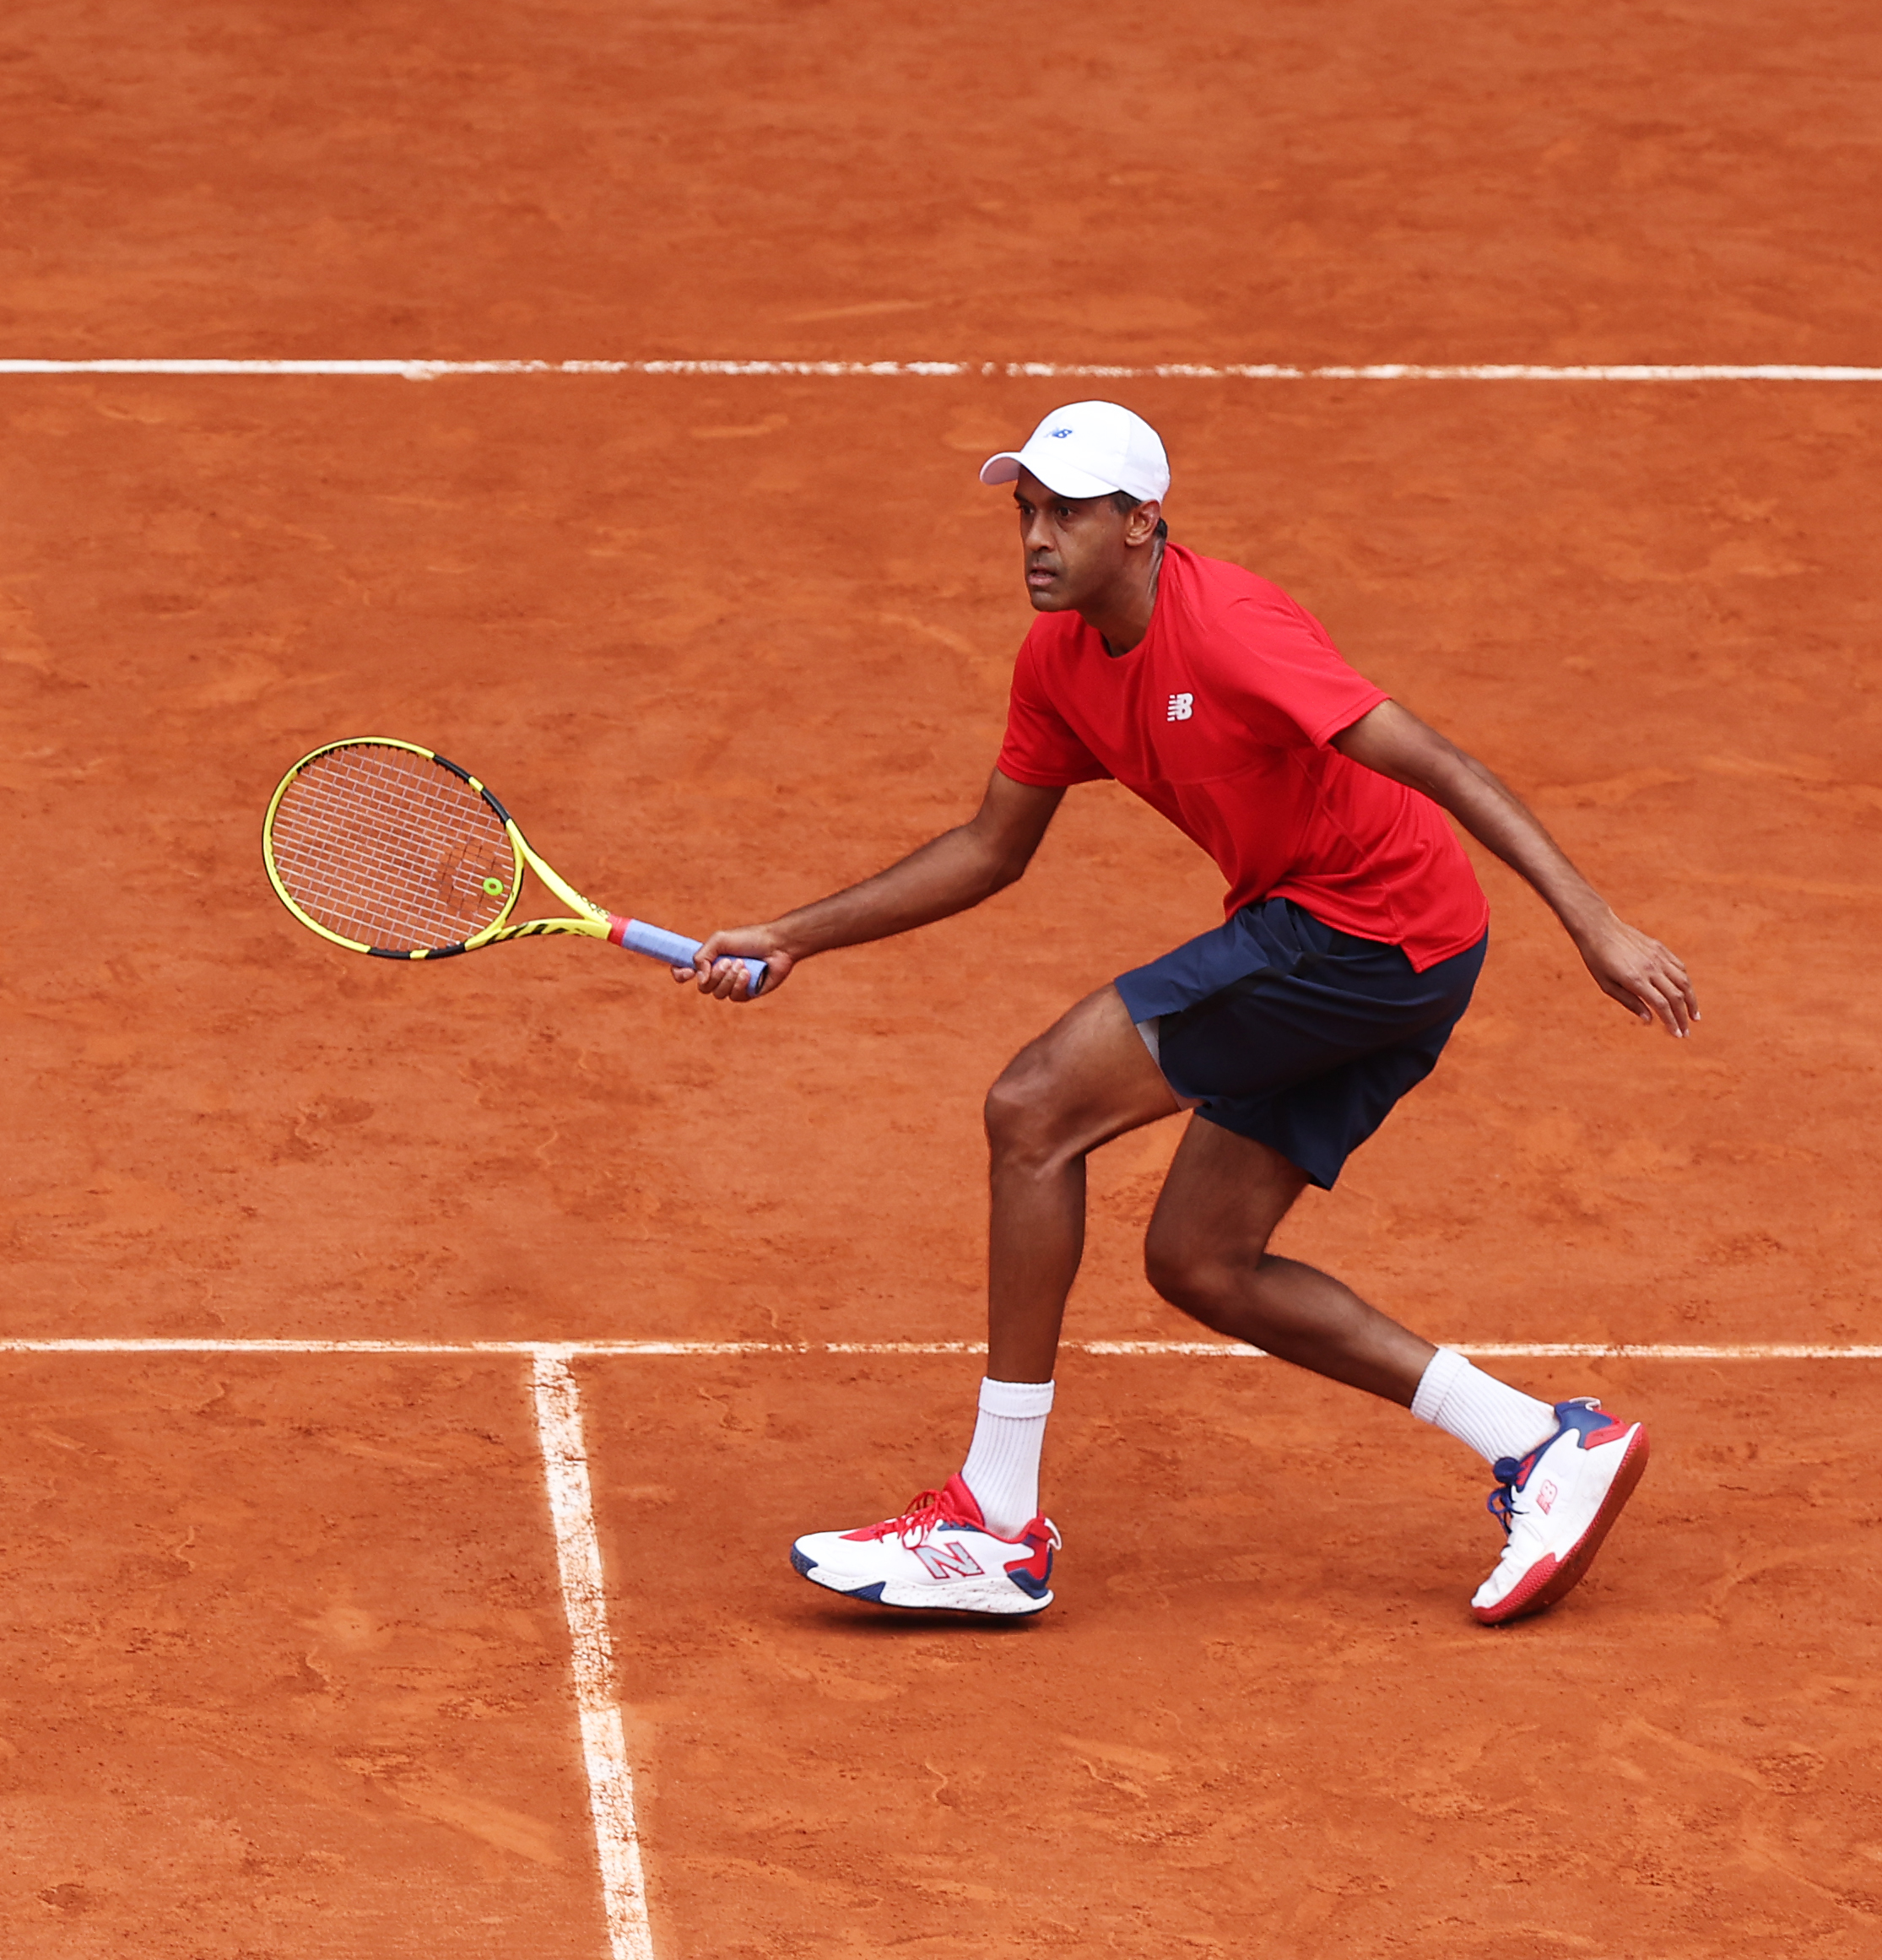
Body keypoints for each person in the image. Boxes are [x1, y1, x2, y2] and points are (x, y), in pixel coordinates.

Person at [679, 403, 1692, 1624]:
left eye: (1064, 513)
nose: (1035, 539)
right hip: (1387, 942)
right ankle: (1541, 1446)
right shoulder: (1054, 662)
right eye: (1024, 513)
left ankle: (995, 1522)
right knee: (1201, 1263)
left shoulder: (1230, 629)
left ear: (1140, 521)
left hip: (1362, 932)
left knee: (1032, 1108)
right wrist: (792, 934)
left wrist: (1595, 922)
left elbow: (1440, 761)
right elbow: (991, 849)